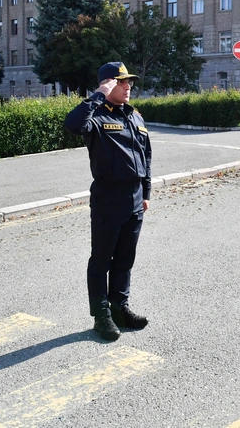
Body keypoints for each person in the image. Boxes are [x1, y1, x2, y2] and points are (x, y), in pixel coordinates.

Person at [64, 61, 152, 341]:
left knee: (125, 258)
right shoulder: (96, 115)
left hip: (135, 197)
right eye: (121, 82)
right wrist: (98, 94)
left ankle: (119, 307)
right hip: (108, 197)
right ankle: (101, 315)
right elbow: (72, 125)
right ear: (107, 84)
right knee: (102, 259)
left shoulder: (134, 116)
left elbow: (146, 155)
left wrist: (146, 193)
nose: (128, 86)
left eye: (129, 82)